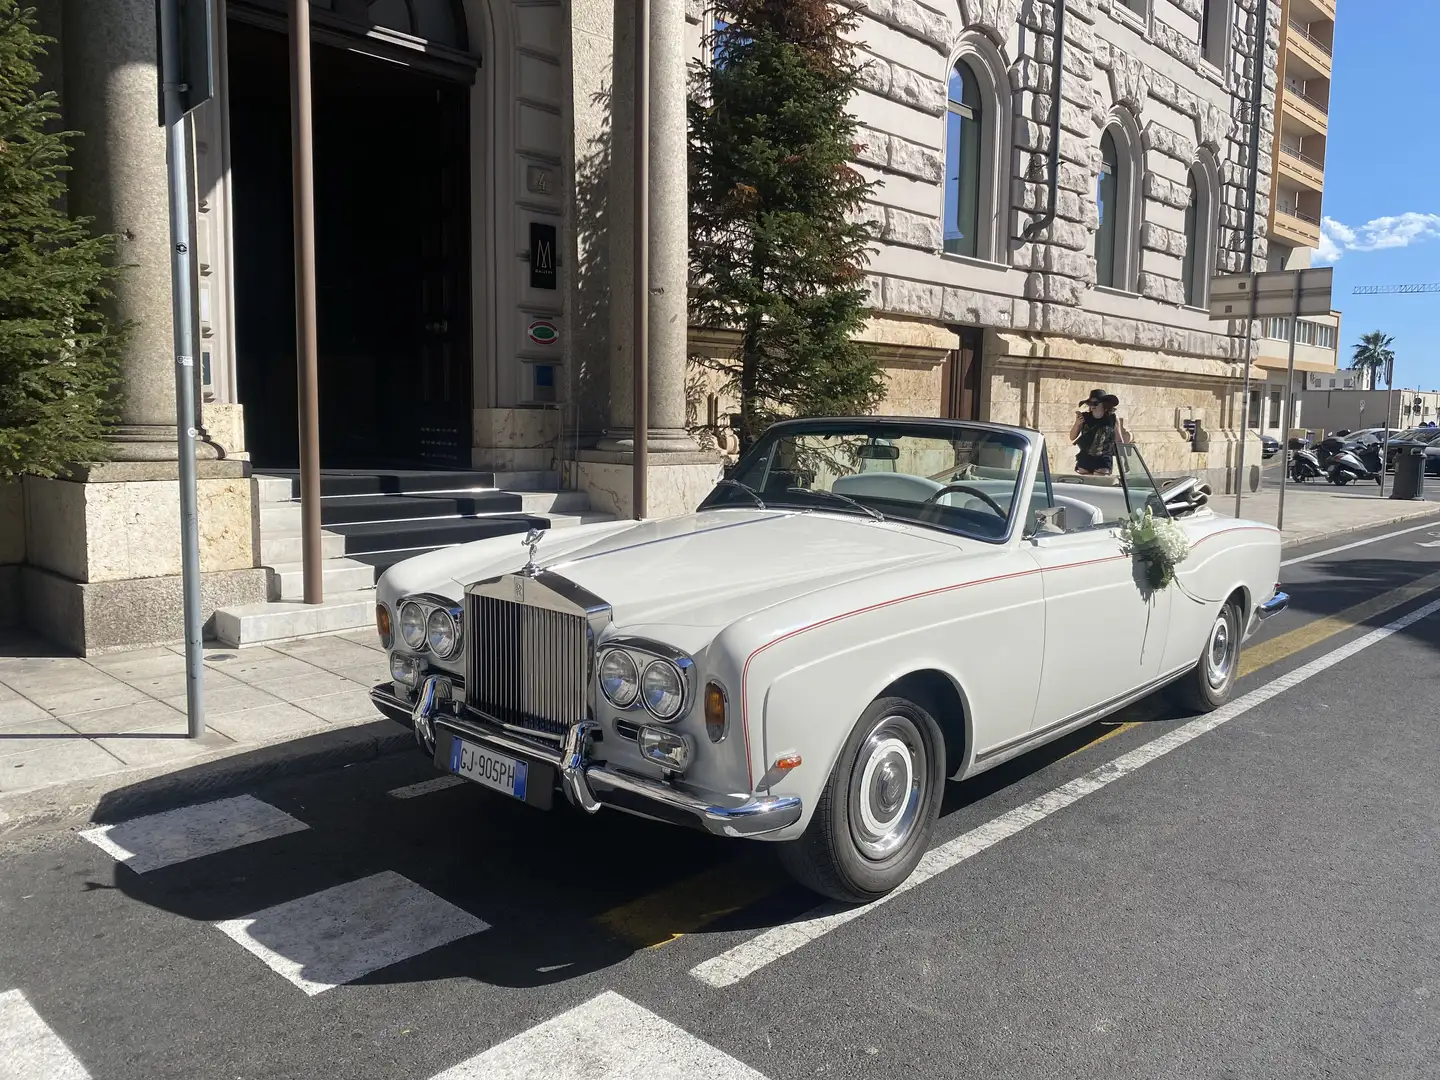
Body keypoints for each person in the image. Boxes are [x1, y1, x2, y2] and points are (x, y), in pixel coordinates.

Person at [1069, 389, 1129, 475]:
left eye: (1096, 403)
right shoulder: (1084, 417)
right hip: (1085, 458)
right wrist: (1077, 424)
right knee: (1086, 482)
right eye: (1091, 403)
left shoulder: (1112, 419)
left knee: (1100, 480)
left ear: (1104, 404)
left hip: (1103, 459)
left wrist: (1124, 459)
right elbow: (1072, 437)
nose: (1093, 405)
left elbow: (1119, 441)